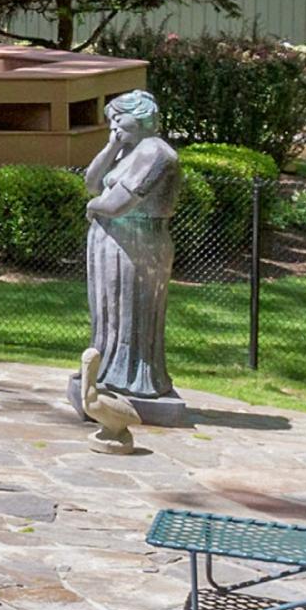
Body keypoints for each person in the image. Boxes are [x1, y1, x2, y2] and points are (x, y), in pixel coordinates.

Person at [81, 90, 183, 404]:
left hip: (138, 245)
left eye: (118, 118)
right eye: (110, 120)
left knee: (132, 314)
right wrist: (112, 145)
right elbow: (91, 181)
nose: (113, 125)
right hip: (114, 242)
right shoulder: (129, 150)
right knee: (109, 313)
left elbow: (118, 203)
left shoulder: (156, 153)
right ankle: (106, 371)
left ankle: (136, 379)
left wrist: (94, 207)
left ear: (140, 116)